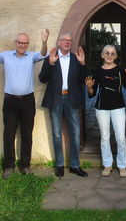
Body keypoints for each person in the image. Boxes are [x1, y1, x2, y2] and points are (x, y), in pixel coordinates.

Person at [0, 28, 49, 179]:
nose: (22, 45)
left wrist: (44, 42)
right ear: (16, 43)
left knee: (27, 134)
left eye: (25, 43)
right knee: (9, 133)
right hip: (10, 101)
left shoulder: (31, 57)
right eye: (20, 42)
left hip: (27, 100)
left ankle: (25, 166)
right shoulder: (6, 56)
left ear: (27, 44)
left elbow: (43, 54)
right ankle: (8, 166)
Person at [39, 33, 88, 178]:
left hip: (71, 98)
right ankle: (59, 164)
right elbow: (42, 78)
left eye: (69, 41)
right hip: (56, 98)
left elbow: (84, 79)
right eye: (64, 40)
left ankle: (75, 165)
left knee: (76, 132)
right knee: (56, 133)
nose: (67, 42)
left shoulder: (75, 58)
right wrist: (51, 63)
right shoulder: (52, 57)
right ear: (59, 42)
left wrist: (83, 64)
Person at [85, 45, 126, 178]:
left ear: (115, 56)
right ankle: (107, 164)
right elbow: (92, 92)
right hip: (102, 108)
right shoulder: (98, 71)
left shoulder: (120, 70)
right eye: (107, 53)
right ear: (102, 55)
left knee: (121, 138)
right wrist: (89, 88)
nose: (110, 55)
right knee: (105, 137)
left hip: (118, 107)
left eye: (112, 53)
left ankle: (122, 165)